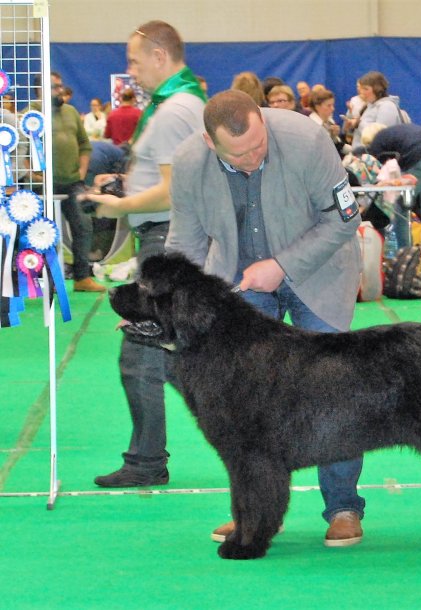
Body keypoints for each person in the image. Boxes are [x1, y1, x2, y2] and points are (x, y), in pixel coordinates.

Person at [166, 89, 366, 548]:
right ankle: (255, 512)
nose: (253, 157)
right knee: (244, 407)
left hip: (319, 274)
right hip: (240, 284)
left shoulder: (307, 139)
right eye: (239, 154)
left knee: (335, 394)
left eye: (259, 145)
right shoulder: (189, 163)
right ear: (209, 142)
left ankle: (343, 507)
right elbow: (185, 246)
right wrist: (163, 304)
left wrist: (282, 266)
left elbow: (344, 219)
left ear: (263, 120)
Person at [84, 20, 207, 487]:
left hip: (165, 238)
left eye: (135, 62)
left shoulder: (174, 110)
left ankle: (146, 462)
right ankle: (148, 458)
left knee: (140, 357)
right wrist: (126, 186)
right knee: (167, 357)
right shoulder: (181, 103)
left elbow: (173, 193)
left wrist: (118, 204)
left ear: (160, 56)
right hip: (165, 238)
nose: (131, 72)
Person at [28, 72, 104, 292]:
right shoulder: (29, 115)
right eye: (55, 87)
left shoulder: (70, 112)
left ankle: (82, 277)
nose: (60, 91)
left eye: (60, 86)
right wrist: (35, 176)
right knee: (42, 233)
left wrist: (81, 172)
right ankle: (45, 282)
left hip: (73, 183)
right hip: (42, 186)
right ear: (40, 89)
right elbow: (20, 151)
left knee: (84, 225)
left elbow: (84, 145)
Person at [362, 122, 421, 251]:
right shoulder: (395, 133)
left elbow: (378, 172)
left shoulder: (376, 142)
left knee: (401, 207)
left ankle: (405, 252)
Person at [348, 71, 406, 149]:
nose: (361, 92)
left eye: (366, 89)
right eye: (361, 88)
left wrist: (358, 124)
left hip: (373, 155)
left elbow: (381, 136)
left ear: (377, 90)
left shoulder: (387, 106)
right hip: (362, 153)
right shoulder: (370, 106)